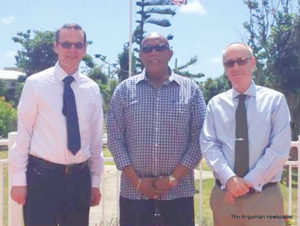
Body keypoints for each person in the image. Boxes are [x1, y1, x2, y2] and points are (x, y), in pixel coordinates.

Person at [9, 23, 104, 226]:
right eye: (66, 44)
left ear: (85, 48)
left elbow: (96, 141)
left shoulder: (92, 89)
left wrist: (95, 182)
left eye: (78, 45)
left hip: (79, 180)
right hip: (42, 179)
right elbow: (24, 133)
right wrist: (18, 181)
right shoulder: (35, 84)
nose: (72, 50)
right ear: (56, 47)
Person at [107, 32, 206, 226]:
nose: (153, 52)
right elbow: (115, 138)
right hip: (134, 193)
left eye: (159, 47)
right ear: (141, 56)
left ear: (169, 53)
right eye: (147, 48)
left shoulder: (191, 90)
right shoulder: (124, 90)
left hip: (178, 192)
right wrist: (137, 181)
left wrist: (172, 178)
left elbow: (200, 138)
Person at [200, 42, 291, 226]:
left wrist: (246, 183)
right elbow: (209, 144)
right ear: (224, 69)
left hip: (263, 197)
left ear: (253, 63)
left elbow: (279, 149)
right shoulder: (215, 105)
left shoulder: (275, 101)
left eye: (241, 61)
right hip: (226, 198)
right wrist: (231, 179)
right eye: (229, 63)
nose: (235, 67)